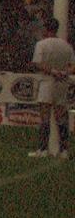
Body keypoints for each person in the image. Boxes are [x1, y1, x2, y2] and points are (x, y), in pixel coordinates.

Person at [28, 17, 74, 158]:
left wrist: (52, 71)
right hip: (62, 82)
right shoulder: (66, 46)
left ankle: (42, 149)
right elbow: (73, 66)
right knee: (61, 117)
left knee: (45, 116)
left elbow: (38, 64)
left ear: (46, 29)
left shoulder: (41, 44)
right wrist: (64, 72)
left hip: (47, 81)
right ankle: (64, 150)